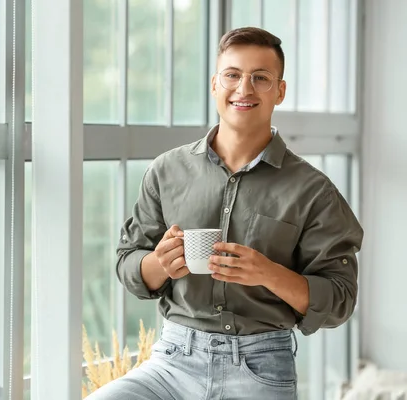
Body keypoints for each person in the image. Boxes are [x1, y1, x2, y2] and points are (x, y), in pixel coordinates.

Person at [86, 27, 363, 400]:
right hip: (172, 362)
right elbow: (128, 262)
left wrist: (268, 273)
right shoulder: (166, 170)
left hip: (260, 369)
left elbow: (340, 299)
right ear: (215, 84)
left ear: (279, 91)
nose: (244, 89)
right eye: (232, 75)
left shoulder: (313, 191)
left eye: (260, 78)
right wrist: (159, 264)